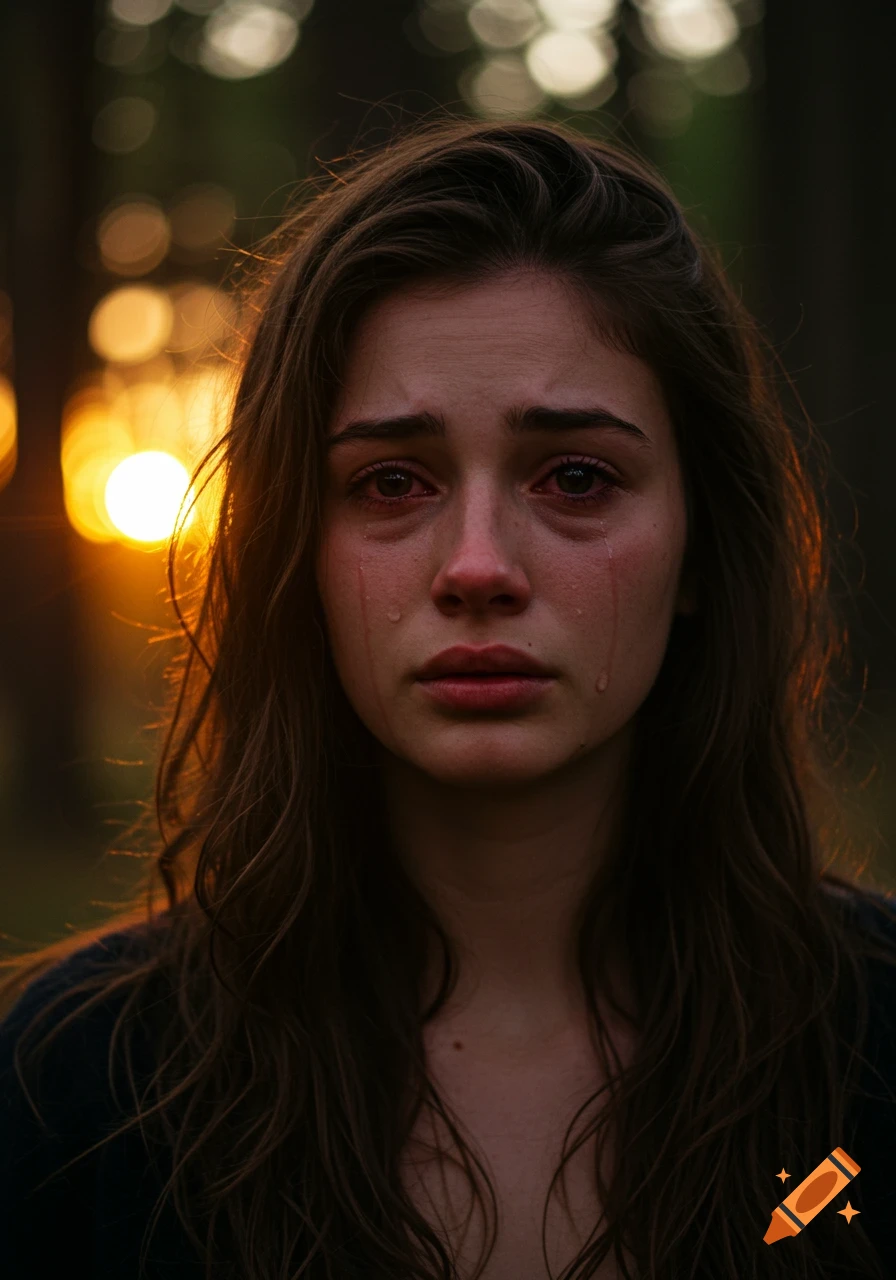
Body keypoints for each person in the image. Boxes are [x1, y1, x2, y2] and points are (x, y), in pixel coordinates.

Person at [1, 116, 895, 1280]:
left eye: (574, 475)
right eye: (390, 480)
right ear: (297, 555)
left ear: (700, 546)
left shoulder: (875, 1047)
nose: (477, 565)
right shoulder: (73, 1093)